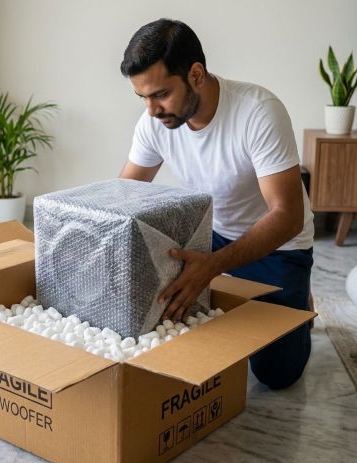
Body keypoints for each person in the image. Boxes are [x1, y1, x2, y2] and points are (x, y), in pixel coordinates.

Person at [118, 18, 315, 390]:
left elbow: (288, 217)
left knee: (277, 376)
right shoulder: (155, 123)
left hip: (278, 245)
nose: (151, 110)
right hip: (211, 236)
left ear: (196, 74)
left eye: (160, 94)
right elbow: (125, 194)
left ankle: (300, 301)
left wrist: (212, 268)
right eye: (142, 97)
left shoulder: (258, 111)